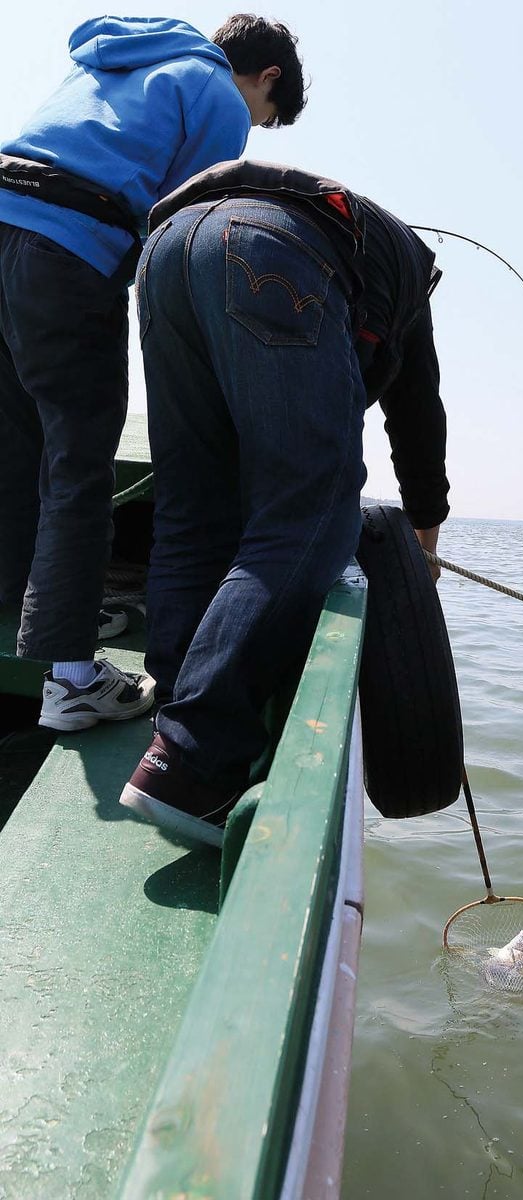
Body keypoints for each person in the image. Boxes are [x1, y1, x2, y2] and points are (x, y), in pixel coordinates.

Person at [119, 160, 450, 846]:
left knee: (191, 512)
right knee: (313, 510)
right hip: (265, 251)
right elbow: (417, 416)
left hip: (166, 253)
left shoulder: (353, 236)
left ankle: (175, 722)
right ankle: (193, 761)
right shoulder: (409, 281)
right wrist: (425, 546)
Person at [0, 14, 306, 732]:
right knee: (78, 462)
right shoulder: (221, 97)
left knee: (15, 449)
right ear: (266, 80)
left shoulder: (113, 60)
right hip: (63, 254)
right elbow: (177, 233)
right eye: (266, 116)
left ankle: (26, 608)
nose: (251, 125)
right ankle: (71, 679)